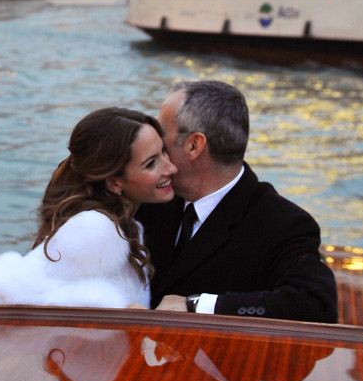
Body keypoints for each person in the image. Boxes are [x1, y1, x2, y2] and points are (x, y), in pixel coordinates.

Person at [138, 80, 337, 323]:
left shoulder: (282, 223)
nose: (156, 147)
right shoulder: (151, 199)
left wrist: (197, 305)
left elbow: (316, 304)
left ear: (194, 145)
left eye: (161, 138)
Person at [0, 106, 176, 308]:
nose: (171, 168)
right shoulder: (95, 230)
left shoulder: (125, 223)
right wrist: (125, 315)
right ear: (114, 182)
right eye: (151, 163)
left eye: (164, 152)